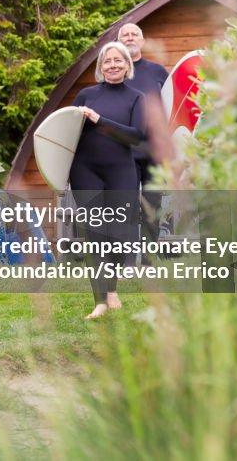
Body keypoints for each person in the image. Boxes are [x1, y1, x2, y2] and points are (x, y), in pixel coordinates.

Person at [71, 41, 145, 319]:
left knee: (121, 235)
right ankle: (100, 300)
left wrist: (99, 120)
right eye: (107, 61)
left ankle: (111, 286)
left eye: (118, 60)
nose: (112, 65)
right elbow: (65, 133)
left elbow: (136, 135)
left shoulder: (135, 97)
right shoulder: (85, 95)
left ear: (127, 65)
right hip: (85, 170)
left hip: (121, 171)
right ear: (100, 67)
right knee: (95, 235)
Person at [117, 23, 169, 264]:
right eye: (124, 34)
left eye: (134, 33)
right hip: (124, 151)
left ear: (142, 40)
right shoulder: (115, 71)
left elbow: (172, 107)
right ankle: (127, 263)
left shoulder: (158, 72)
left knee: (152, 208)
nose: (129, 37)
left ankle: (148, 262)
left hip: (154, 152)